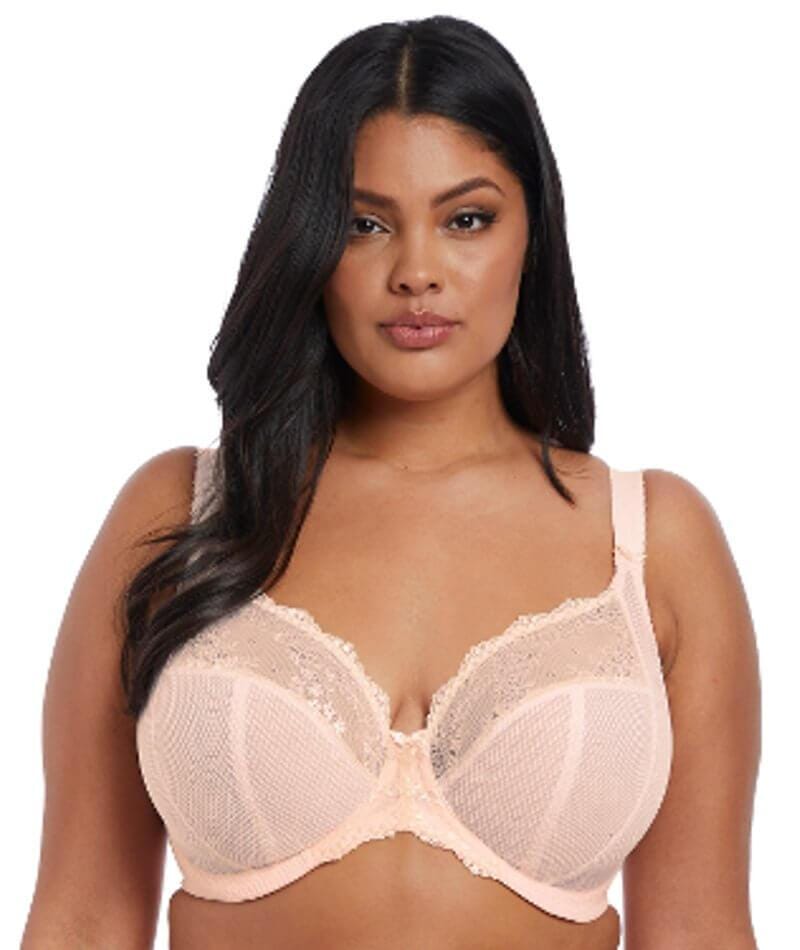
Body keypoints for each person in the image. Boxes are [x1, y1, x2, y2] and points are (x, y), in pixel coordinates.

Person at [21, 14, 760, 950]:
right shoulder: (183, 513)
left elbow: (698, 931)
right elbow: (82, 920)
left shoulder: (651, 543)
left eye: (467, 219)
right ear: (310, 242)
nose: (416, 272)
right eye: (365, 224)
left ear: (533, 235)